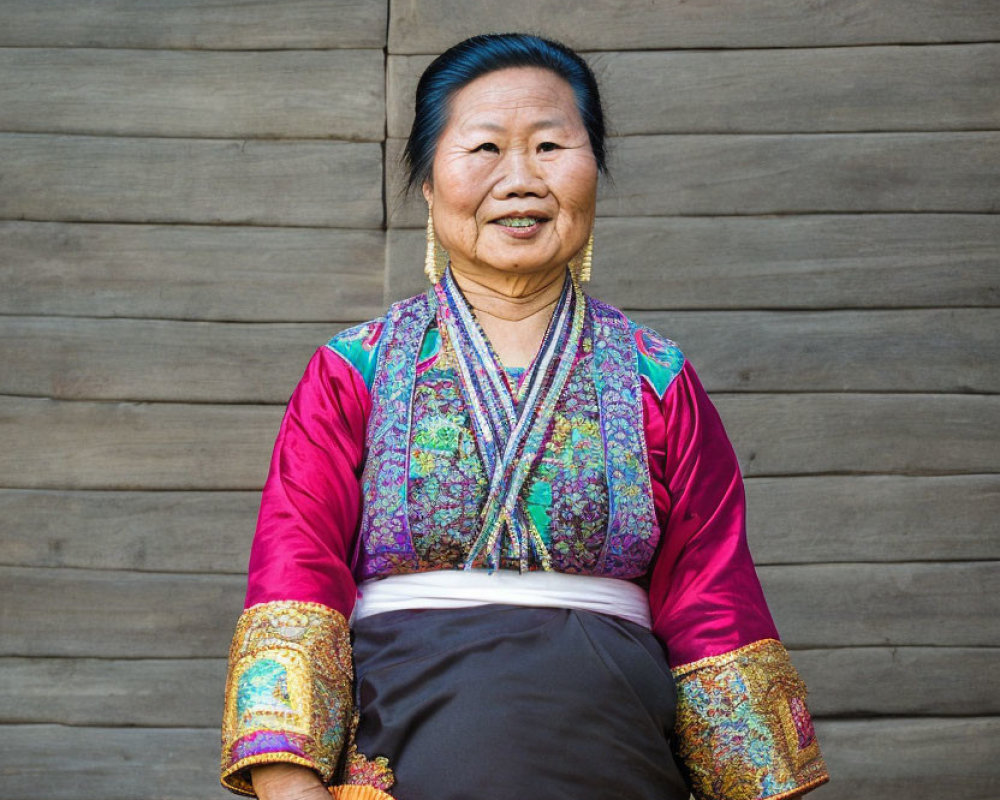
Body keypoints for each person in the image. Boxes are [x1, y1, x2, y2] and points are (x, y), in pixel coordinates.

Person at [220, 33, 830, 800]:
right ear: (428, 183)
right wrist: (292, 788)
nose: (519, 180)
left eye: (549, 146)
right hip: (400, 751)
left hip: (618, 755)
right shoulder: (354, 372)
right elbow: (294, 576)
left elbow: (713, 595)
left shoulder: (657, 378)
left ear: (592, 173)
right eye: (482, 148)